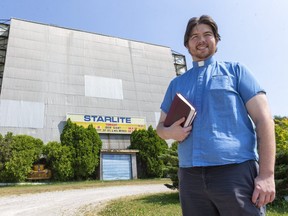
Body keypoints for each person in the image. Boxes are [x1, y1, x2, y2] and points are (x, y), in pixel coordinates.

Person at [156, 15, 276, 216]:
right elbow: (160, 128)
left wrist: (266, 175)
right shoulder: (176, 84)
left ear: (216, 40)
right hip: (190, 177)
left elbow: (264, 120)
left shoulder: (237, 72)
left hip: (235, 172)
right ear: (187, 44)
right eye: (194, 36)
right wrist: (171, 133)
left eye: (207, 34)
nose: (200, 40)